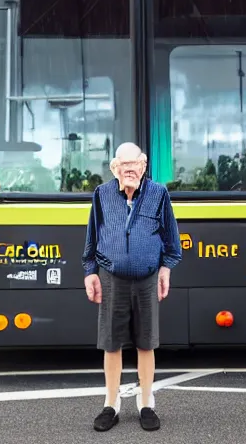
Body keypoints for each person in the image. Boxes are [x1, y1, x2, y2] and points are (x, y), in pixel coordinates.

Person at [82, 142, 182, 432]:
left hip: (147, 278)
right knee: (111, 344)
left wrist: (165, 269)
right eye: (123, 166)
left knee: (146, 342)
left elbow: (171, 243)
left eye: (134, 165)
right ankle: (111, 405)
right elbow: (92, 237)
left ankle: (146, 403)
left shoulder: (158, 194)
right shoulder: (102, 195)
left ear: (143, 165)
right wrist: (90, 271)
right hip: (111, 278)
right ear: (115, 168)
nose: (129, 170)